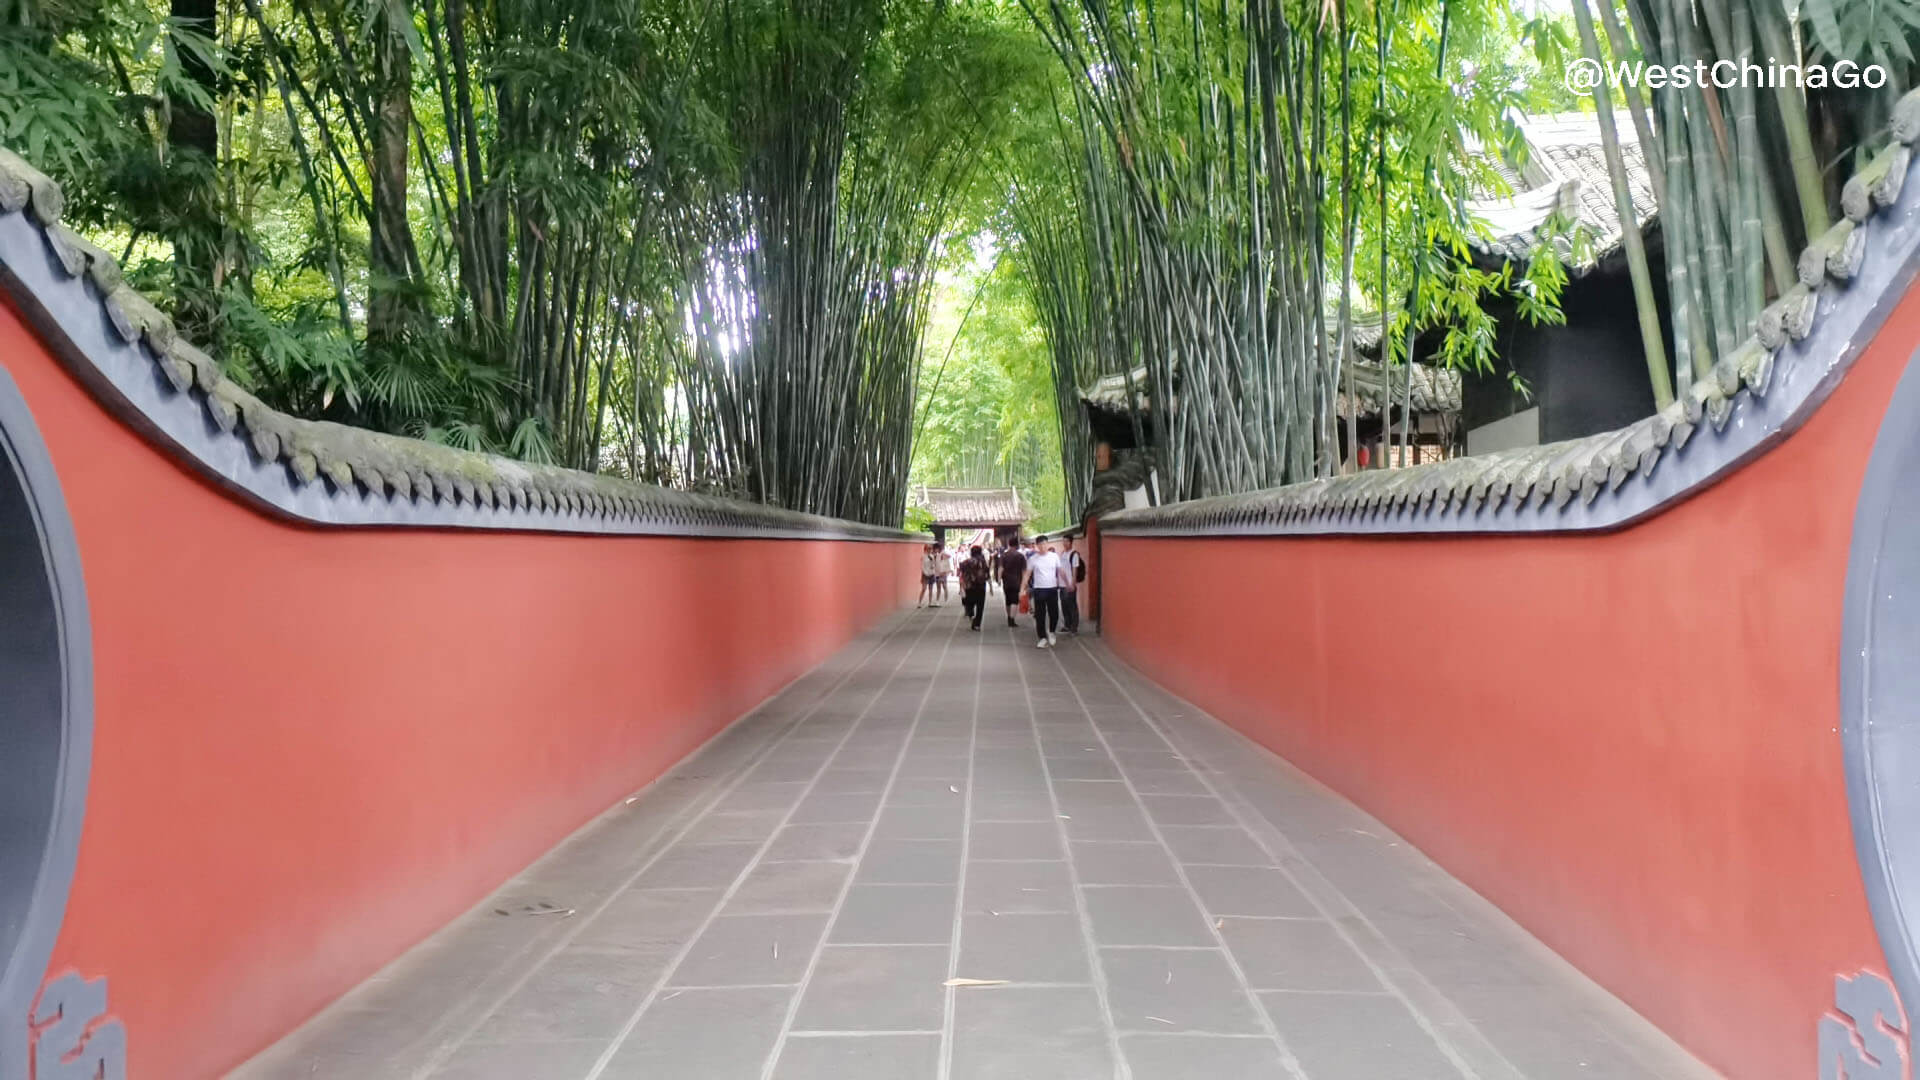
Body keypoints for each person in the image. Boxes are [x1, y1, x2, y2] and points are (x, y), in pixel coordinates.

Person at [1023, 535, 1064, 648]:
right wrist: (1022, 589)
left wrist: (1068, 583)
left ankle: (1051, 632)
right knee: (1040, 615)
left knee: (1054, 613)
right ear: (1036, 546)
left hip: (1052, 589)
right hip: (1039, 589)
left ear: (1048, 544)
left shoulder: (1054, 556)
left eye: (1044, 544)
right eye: (1040, 544)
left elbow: (1060, 571)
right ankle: (1042, 638)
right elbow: (1027, 575)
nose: (1042, 546)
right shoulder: (1033, 559)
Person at [1059, 535, 1086, 634]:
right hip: (1062, 585)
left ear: (1071, 542)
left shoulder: (1074, 554)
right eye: (1063, 541)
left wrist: (1073, 584)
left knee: (1072, 606)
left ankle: (1074, 627)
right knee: (1064, 605)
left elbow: (1075, 570)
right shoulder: (1062, 554)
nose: (1064, 543)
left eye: (1066, 541)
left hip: (1070, 584)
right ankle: (1067, 625)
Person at [958, 545, 989, 631]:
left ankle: (970, 613)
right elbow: (987, 573)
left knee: (969, 601)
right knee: (980, 605)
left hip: (969, 585)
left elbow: (961, 573)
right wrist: (990, 586)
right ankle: (977, 624)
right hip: (981, 585)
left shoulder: (966, 562)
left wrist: (961, 584)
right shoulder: (983, 562)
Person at [998, 540, 1028, 627]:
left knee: (1008, 599)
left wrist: (999, 579)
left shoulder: (1003, 555)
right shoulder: (1021, 556)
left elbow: (1000, 568)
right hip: (1017, 581)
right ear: (1017, 545)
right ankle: (1011, 619)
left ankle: (1009, 616)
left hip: (1006, 581)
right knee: (1015, 600)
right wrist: (1025, 582)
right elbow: (1024, 571)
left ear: (1009, 545)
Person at [918, 543, 940, 608]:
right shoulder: (923, 556)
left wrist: (933, 566)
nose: (930, 550)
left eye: (930, 549)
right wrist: (925, 572)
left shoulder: (932, 556)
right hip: (925, 574)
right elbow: (922, 566)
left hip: (931, 573)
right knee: (924, 589)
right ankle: (919, 602)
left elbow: (934, 564)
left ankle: (930, 602)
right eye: (928, 548)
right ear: (925, 549)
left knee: (931, 589)